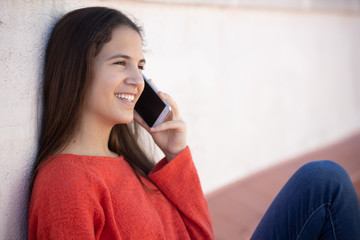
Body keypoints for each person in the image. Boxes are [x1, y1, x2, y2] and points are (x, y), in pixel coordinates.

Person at [28, 6, 360, 240]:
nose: (137, 80)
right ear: (77, 71)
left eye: (140, 66)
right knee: (325, 182)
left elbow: (200, 235)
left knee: (323, 181)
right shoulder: (66, 183)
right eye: (120, 63)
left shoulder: (124, 160)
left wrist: (176, 156)